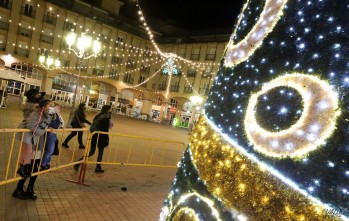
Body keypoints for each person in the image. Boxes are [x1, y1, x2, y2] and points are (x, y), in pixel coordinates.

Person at [13, 99, 54, 200]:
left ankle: (30, 188)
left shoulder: (48, 115)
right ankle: (18, 188)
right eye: (51, 106)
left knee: (35, 166)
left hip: (39, 143)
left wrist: (54, 114)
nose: (52, 108)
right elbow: (32, 126)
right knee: (27, 166)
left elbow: (57, 124)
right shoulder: (35, 114)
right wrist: (43, 130)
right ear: (44, 107)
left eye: (53, 106)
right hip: (31, 141)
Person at [74, 105, 113, 173]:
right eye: (110, 109)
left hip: (94, 135)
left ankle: (78, 162)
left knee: (91, 152)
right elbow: (105, 129)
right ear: (108, 110)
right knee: (100, 152)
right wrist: (106, 138)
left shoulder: (98, 115)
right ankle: (98, 167)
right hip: (101, 136)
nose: (111, 111)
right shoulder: (106, 117)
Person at [41, 102, 64, 170]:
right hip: (51, 133)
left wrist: (60, 126)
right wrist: (50, 127)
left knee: (51, 149)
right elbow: (49, 121)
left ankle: (47, 163)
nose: (59, 109)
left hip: (54, 133)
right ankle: (43, 164)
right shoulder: (51, 114)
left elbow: (61, 123)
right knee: (50, 150)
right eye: (58, 107)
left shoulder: (56, 114)